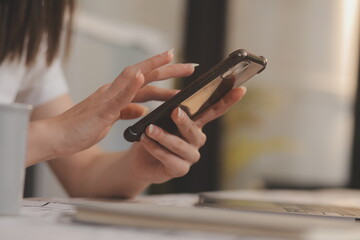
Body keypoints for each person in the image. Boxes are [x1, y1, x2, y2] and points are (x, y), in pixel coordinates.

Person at [0, 0, 246, 198]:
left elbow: (84, 175)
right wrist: (55, 135)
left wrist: (137, 166)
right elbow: (57, 138)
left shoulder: (23, 26)